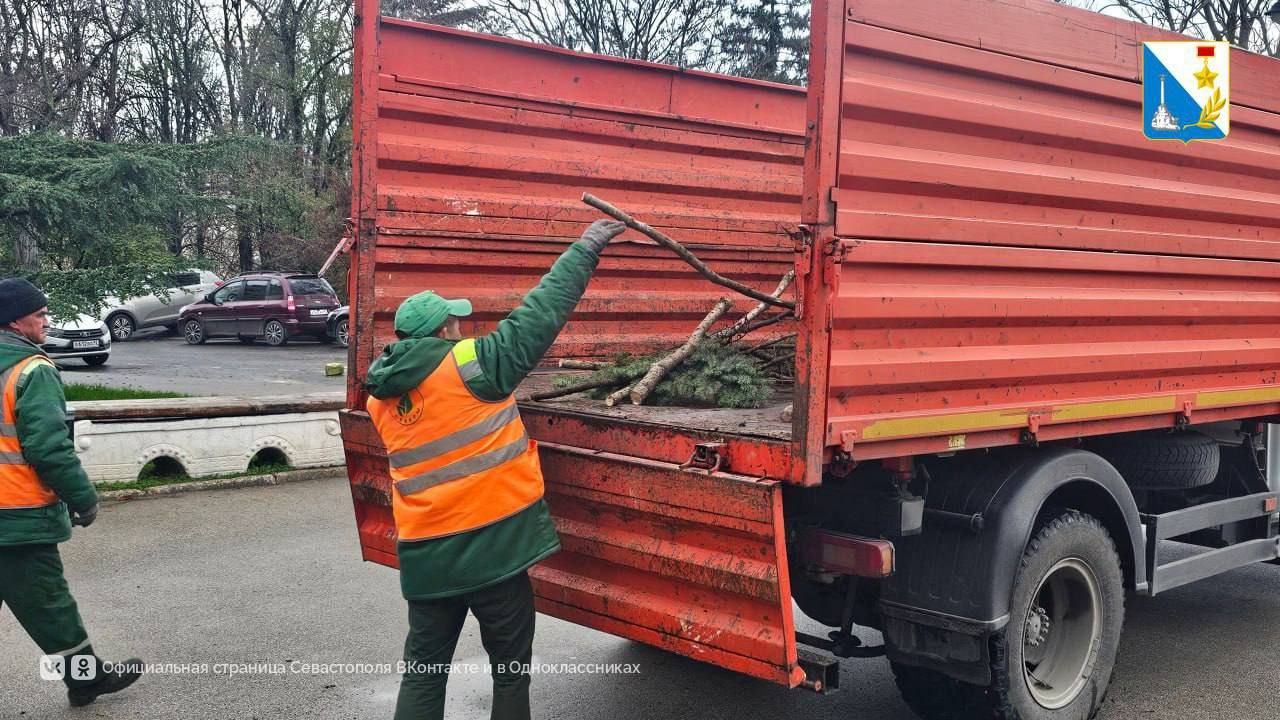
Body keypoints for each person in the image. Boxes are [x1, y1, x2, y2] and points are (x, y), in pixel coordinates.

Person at [365, 219, 627, 720]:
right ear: (443, 330)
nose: (462, 327)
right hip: (495, 552)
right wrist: (587, 247)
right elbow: (540, 313)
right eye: (455, 322)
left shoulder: (379, 399)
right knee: (510, 672)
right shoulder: (473, 365)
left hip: (426, 558)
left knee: (423, 673)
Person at [0, 278, 142, 706]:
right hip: (17, 516)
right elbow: (48, 448)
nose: (47, 321)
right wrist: (83, 497)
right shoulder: (31, 370)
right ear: (15, 321)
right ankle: (86, 679)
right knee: (48, 604)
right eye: (40, 314)